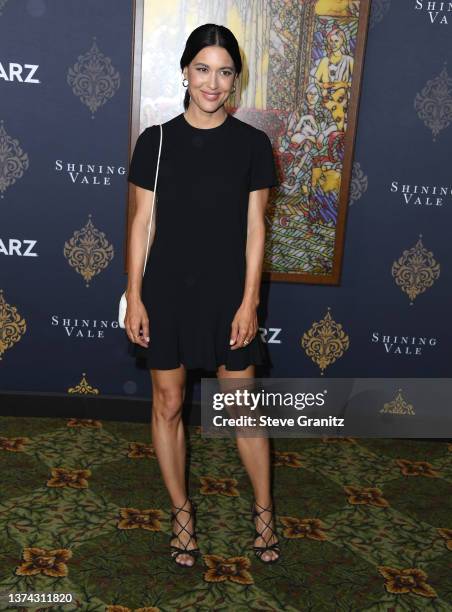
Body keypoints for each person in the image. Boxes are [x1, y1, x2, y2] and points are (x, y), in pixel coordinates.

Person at [124, 23, 280, 568]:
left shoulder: (253, 145)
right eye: (203, 69)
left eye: (225, 72)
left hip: (226, 295)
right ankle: (181, 513)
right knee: (167, 404)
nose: (213, 83)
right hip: (165, 292)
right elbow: (141, 224)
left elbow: (255, 229)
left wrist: (249, 302)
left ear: (235, 80)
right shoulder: (156, 141)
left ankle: (264, 512)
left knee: (244, 412)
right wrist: (135, 296)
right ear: (185, 72)